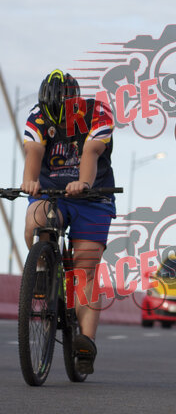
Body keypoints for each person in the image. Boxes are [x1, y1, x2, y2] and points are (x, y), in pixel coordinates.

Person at [21, 70, 116, 375]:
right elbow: (33, 153)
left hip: (93, 197)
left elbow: (91, 152)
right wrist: (29, 181)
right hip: (54, 194)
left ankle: (85, 342)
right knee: (36, 217)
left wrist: (83, 183)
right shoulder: (37, 118)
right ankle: (42, 271)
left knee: (85, 269)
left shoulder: (97, 113)